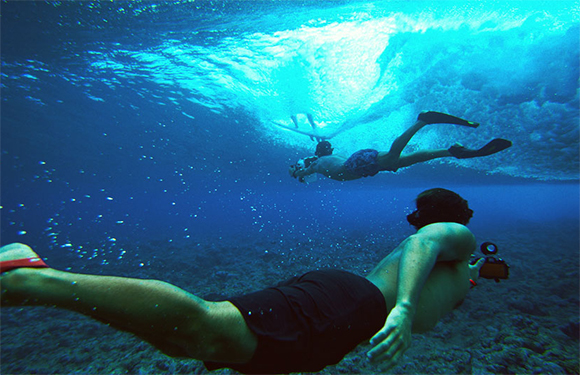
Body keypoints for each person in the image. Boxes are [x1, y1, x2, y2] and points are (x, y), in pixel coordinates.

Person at [1, 188, 487, 374]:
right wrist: (402, 307)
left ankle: (34, 280)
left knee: (202, 343)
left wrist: (479, 274)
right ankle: (30, 278)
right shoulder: (455, 235)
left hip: (346, 318)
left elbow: (446, 274)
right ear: (458, 214)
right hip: (353, 304)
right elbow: (423, 242)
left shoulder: (463, 264)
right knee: (205, 329)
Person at [289, 111, 512, 182]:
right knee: (406, 159)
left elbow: (306, 170)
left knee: (395, 155)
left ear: (318, 153)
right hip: (360, 163)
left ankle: (423, 120)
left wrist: (298, 174)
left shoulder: (318, 163)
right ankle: (452, 151)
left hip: (355, 166)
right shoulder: (330, 157)